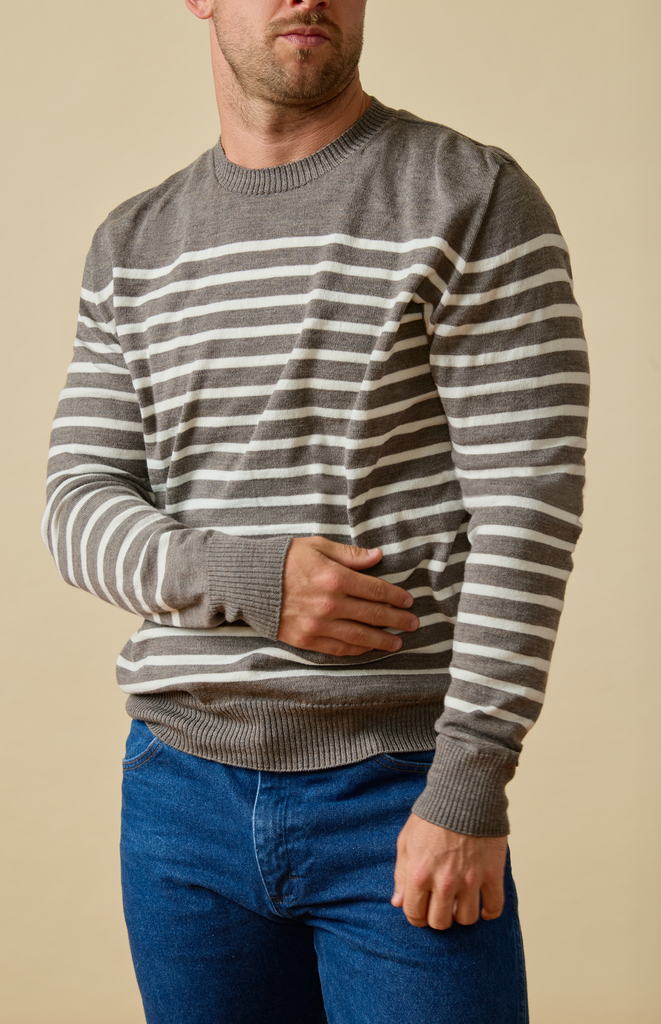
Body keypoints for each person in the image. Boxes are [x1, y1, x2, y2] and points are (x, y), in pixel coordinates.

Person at [43, 1, 588, 1021]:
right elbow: (76, 504)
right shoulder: (131, 242)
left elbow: (527, 511)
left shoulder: (467, 195)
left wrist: (468, 784)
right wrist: (251, 580)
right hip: (177, 794)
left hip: (400, 788)